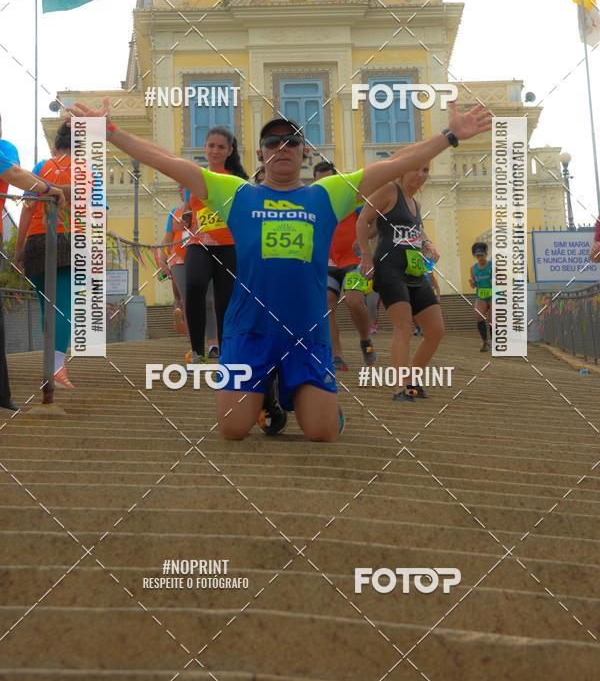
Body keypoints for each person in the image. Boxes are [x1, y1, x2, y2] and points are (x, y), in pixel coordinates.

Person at [65, 96, 492, 441]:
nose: (282, 148)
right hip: (248, 332)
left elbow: (398, 163)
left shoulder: (328, 195)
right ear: (260, 154)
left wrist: (451, 135)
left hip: (307, 336)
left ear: (305, 152)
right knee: (233, 430)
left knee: (323, 433)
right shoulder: (235, 193)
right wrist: (114, 132)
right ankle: (267, 393)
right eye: (273, 143)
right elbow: (166, 161)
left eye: (292, 141)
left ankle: (308, 395)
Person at [357, 165, 443, 402]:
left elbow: (417, 232)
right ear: (403, 171)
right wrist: (365, 255)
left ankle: (412, 380)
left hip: (413, 269)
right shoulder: (389, 190)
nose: (421, 174)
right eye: (417, 168)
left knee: (436, 330)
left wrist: (428, 244)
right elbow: (363, 219)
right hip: (388, 267)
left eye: (426, 170)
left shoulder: (415, 203)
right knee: (403, 325)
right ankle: (398, 388)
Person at [0, 132, 65, 411]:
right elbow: (14, 173)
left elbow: (17, 177)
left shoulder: (12, 153)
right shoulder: (6, 150)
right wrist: (50, 189)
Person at [15, 122, 75, 389]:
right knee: (62, 306)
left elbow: (27, 209)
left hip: (36, 243)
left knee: (45, 307)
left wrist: (19, 250)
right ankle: (57, 368)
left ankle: (52, 365)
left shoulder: (41, 168)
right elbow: (99, 211)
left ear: (56, 145)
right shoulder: (87, 171)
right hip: (67, 240)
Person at [184, 126, 248, 363]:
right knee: (194, 285)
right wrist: (187, 217)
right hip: (199, 243)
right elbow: (190, 208)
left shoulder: (238, 181)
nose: (215, 150)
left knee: (225, 300)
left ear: (230, 150)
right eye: (211, 145)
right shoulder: (197, 176)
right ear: (205, 148)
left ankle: (226, 352)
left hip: (229, 245)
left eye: (221, 147)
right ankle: (197, 351)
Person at [313, 160, 375, 371]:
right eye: (321, 182)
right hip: (327, 264)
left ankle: (365, 338)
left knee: (354, 301)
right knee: (326, 305)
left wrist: (363, 242)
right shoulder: (312, 205)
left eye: (330, 180)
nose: (326, 185)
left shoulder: (352, 201)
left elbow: (374, 222)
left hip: (354, 262)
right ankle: (336, 354)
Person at [159, 185, 189, 334]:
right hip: (176, 258)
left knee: (189, 295)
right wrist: (162, 260)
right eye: (180, 188)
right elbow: (167, 238)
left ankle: (187, 323)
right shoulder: (174, 213)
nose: (180, 191)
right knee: (178, 293)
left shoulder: (201, 210)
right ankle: (179, 321)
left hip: (197, 256)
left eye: (183, 188)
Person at [469, 241, 493, 352]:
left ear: (486, 254)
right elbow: (473, 286)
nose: (480, 258)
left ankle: (495, 342)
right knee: (478, 316)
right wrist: (472, 282)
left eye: (482, 255)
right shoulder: (473, 268)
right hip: (481, 296)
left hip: (493, 295)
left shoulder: (492, 265)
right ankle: (485, 342)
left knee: (492, 319)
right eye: (477, 256)